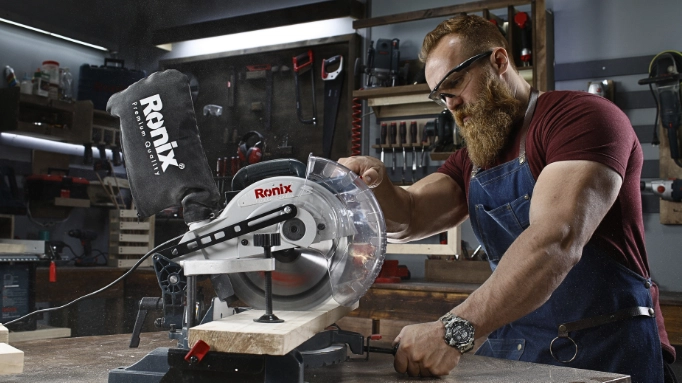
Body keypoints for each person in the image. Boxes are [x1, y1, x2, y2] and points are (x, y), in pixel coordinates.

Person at [339, 15, 676, 382]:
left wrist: (453, 332)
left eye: (455, 85)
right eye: (441, 96)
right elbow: (412, 213)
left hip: (604, 353)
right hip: (516, 353)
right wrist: (375, 187)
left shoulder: (579, 118)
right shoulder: (474, 156)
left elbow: (555, 240)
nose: (451, 105)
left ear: (499, 61)